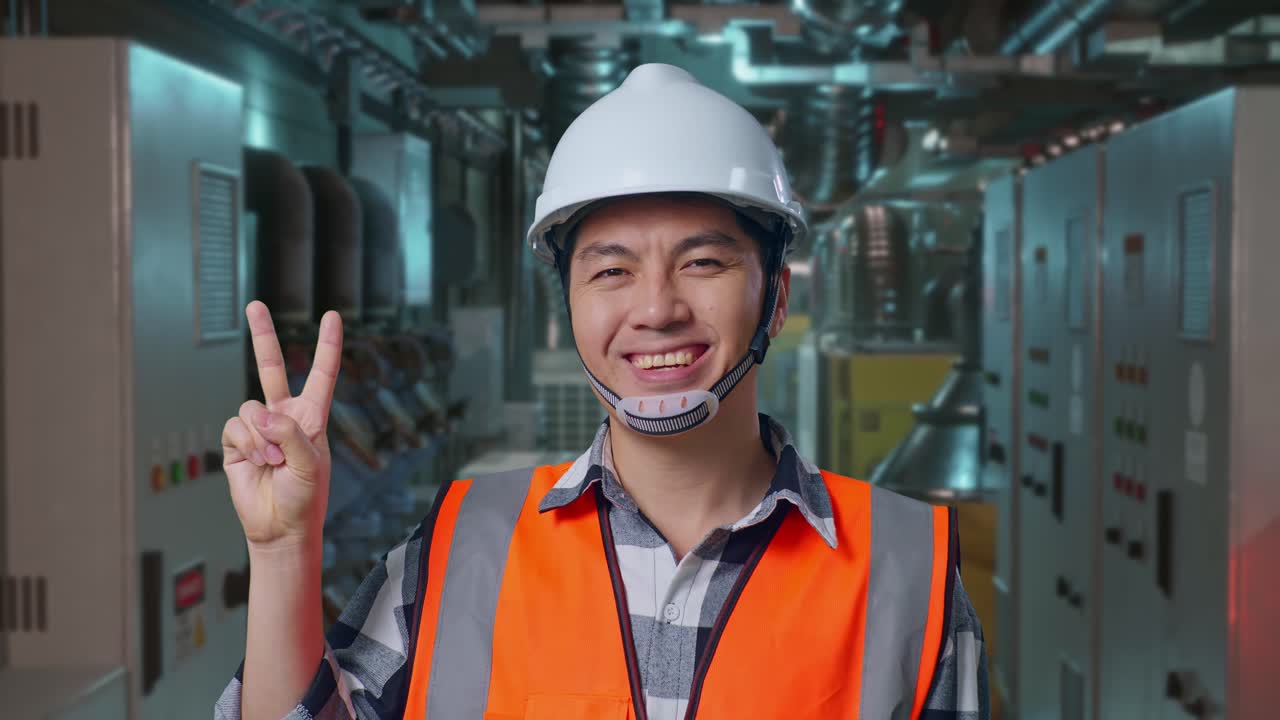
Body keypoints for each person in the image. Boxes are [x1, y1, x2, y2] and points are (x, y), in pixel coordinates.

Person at [216, 63, 989, 720]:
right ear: (572, 304)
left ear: (777, 296)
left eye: (704, 263)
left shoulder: (904, 569)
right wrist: (284, 552)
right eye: (611, 270)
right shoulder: (457, 549)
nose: (655, 309)